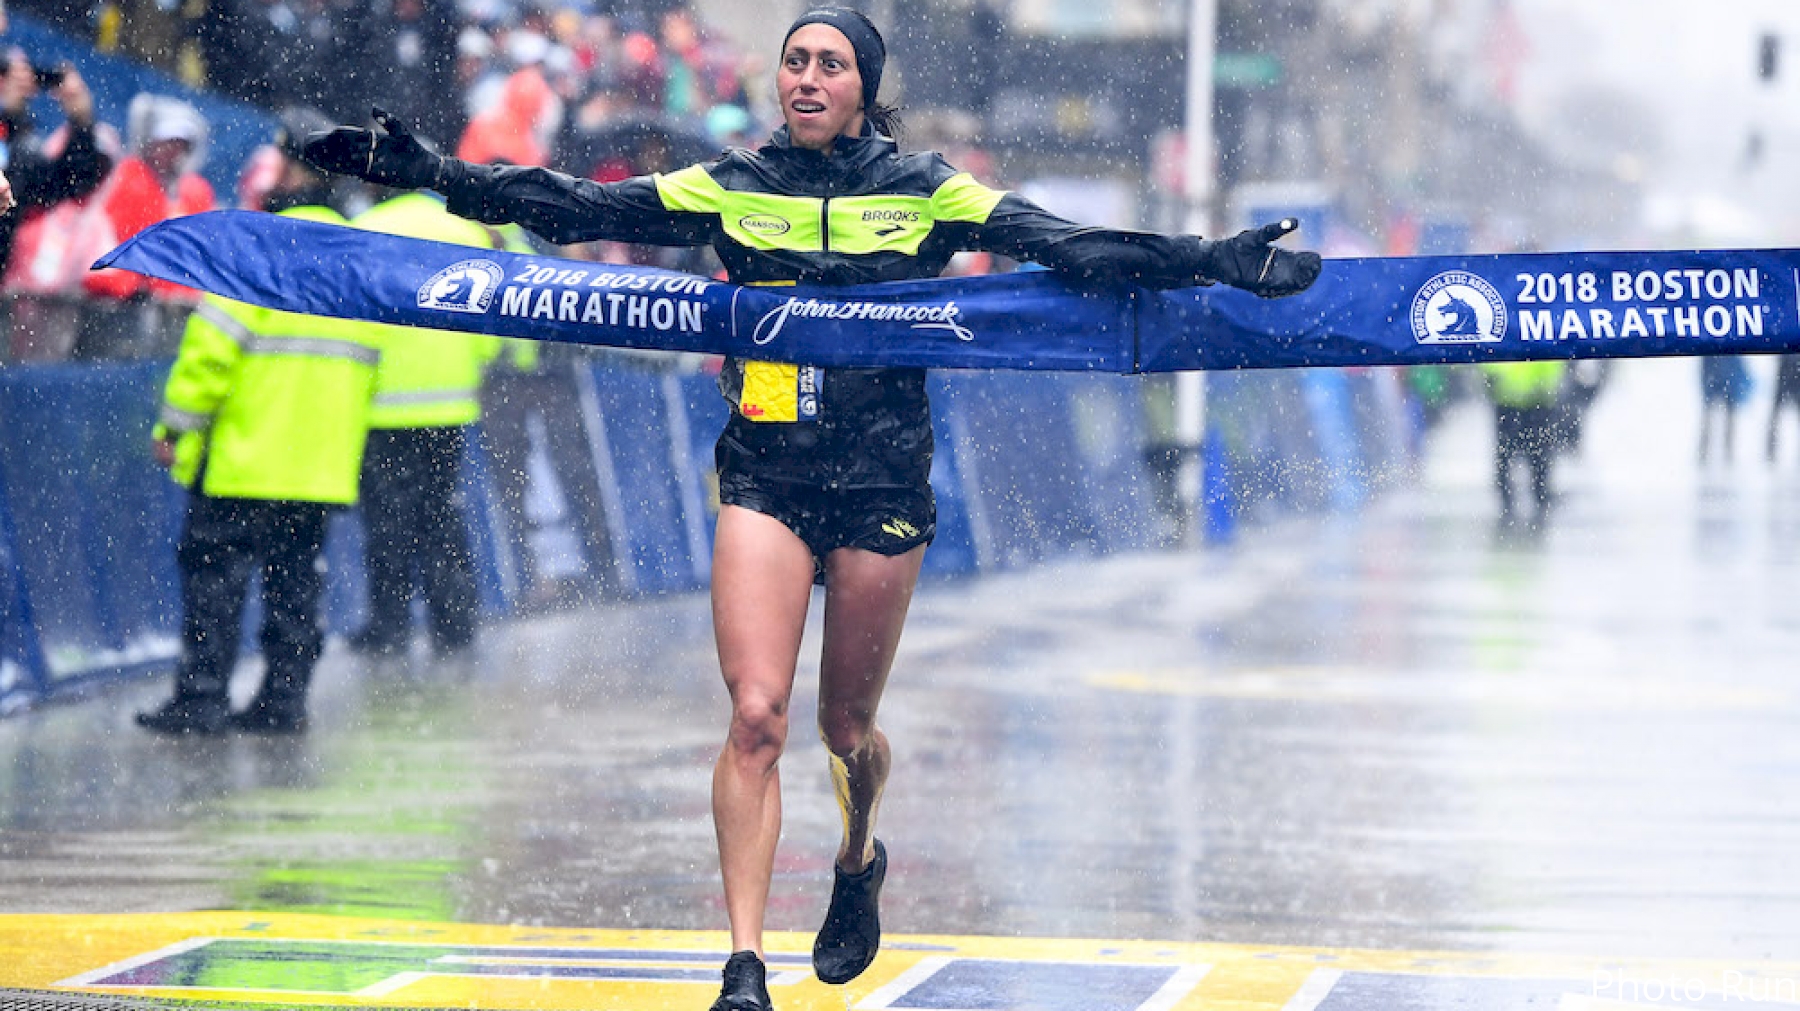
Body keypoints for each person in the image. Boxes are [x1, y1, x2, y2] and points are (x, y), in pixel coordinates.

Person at [301, 8, 1319, 1007]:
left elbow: (1078, 249)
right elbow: (579, 208)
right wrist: (434, 172)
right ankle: (743, 966)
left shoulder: (927, 191)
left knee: (845, 730)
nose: (807, 79)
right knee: (754, 716)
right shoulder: (732, 185)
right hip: (767, 474)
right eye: (794, 61)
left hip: (880, 480)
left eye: (831, 64)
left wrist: (1211, 260)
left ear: (863, 88)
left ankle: (859, 852)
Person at [136, 125, 380, 736]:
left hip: (246, 456)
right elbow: (370, 362)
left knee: (215, 581)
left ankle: (202, 698)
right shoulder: (358, 260)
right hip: (318, 464)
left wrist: (174, 424)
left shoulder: (258, 248)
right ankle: (283, 701)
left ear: (297, 173)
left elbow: (210, 352)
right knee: (295, 587)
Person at [344, 189, 503, 657]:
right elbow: (490, 322)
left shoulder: (364, 231)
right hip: (449, 406)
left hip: (381, 406)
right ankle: (454, 625)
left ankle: (389, 627)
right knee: (442, 518)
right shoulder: (463, 231)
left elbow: (353, 319)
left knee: (386, 523)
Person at [1482, 359, 1566, 529]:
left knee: (1537, 454)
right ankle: (1509, 497)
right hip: (1510, 400)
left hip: (1536, 400)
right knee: (1508, 453)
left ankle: (1538, 495)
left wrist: (1547, 384)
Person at [1766, 354, 1800, 464]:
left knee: (1776, 414)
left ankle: (1770, 449)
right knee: (1776, 415)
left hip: (1790, 373)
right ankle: (1770, 450)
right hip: (1787, 372)